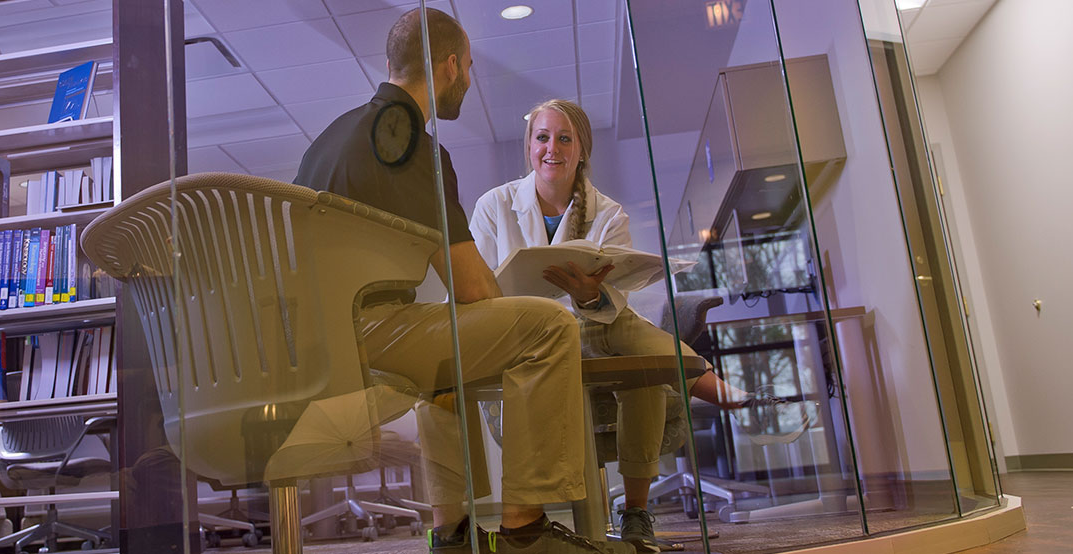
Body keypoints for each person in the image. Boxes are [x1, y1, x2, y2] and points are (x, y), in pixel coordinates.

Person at [294, 9, 632, 554]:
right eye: (470, 67)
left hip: (316, 344)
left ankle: (449, 534)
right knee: (545, 325)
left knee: (446, 359)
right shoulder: (415, 148)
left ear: (389, 66)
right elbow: (473, 289)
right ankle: (525, 532)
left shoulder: (328, 140)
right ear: (451, 66)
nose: (469, 80)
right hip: (369, 335)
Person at [468, 99, 776, 553]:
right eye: (542, 137)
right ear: (529, 145)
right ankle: (707, 381)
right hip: (527, 338)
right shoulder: (494, 206)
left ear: (581, 150)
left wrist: (589, 295)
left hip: (594, 327)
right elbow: (481, 288)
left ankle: (636, 514)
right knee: (644, 354)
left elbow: (615, 297)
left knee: (644, 370)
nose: (552, 148)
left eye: (564, 138)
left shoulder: (607, 213)